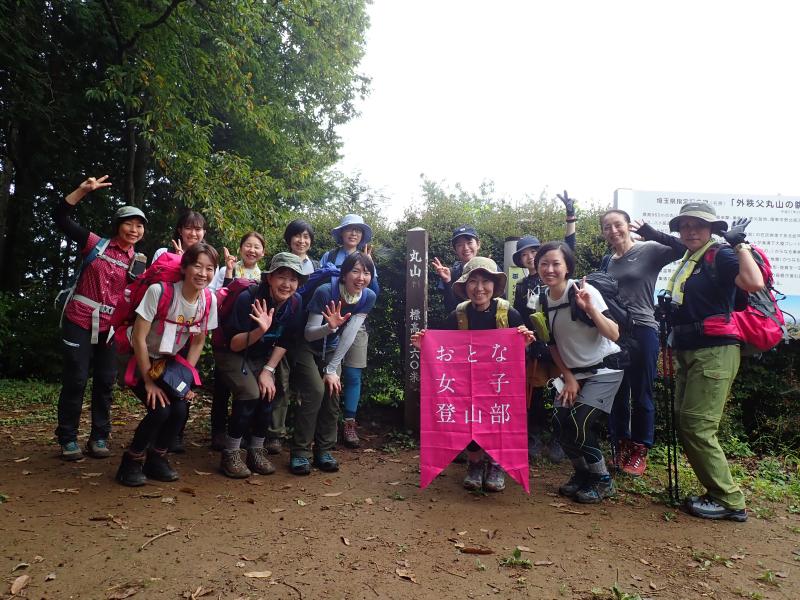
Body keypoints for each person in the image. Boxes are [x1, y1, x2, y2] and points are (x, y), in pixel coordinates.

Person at [646, 202, 762, 521]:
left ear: (711, 228)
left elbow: (754, 283)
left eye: (698, 224)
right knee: (686, 422)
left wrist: (739, 245)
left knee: (697, 426)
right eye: (684, 225)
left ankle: (730, 500)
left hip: (715, 351)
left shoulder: (720, 254)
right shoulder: (690, 258)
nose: (690, 230)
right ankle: (716, 492)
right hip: (689, 350)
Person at [412, 257, 535, 493]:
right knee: (468, 420)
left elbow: (521, 354)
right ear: (465, 286)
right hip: (466, 383)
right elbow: (443, 351)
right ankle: (475, 463)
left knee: (498, 421)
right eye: (473, 281)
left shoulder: (509, 314)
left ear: (494, 285)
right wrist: (424, 347)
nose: (479, 288)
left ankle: (497, 465)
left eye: (485, 281)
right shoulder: (457, 315)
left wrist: (525, 344)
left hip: (499, 382)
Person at [54, 175, 147, 461]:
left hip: (110, 328)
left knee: (106, 381)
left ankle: (99, 437)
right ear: (118, 225)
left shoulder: (139, 262)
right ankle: (68, 438)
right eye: (129, 223)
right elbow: (61, 218)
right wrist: (82, 191)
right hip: (79, 318)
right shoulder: (96, 244)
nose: (134, 230)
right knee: (76, 378)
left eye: (139, 225)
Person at [115, 242, 219, 486]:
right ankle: (131, 462)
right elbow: (139, 338)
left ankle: (157, 459)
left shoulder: (208, 300)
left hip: (165, 363)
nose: (203, 274)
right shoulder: (159, 292)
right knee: (160, 409)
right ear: (184, 268)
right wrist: (149, 382)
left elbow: (198, 341)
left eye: (209, 269)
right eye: (197, 266)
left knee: (180, 409)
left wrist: (184, 381)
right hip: (136, 356)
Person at [534, 241, 624, 504]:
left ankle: (602, 479)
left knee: (578, 423)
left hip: (604, 369)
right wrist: (569, 377)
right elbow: (551, 344)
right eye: (544, 264)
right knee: (560, 422)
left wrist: (590, 309)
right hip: (573, 374)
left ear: (567, 267)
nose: (549, 269)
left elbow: (614, 333)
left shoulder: (584, 291)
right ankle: (583, 474)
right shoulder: (541, 299)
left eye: (556, 264)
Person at [600, 210, 686, 476]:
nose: (613, 230)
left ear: (628, 226)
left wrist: (651, 232)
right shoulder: (607, 261)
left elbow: (683, 248)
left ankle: (640, 449)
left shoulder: (648, 249)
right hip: (614, 332)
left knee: (641, 391)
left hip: (643, 329)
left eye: (618, 225)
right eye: (607, 227)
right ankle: (621, 443)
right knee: (617, 392)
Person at [214, 252, 311, 478]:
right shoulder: (247, 299)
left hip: (259, 355)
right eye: (282, 277)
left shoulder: (295, 302)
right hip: (231, 352)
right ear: (269, 278)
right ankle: (231, 453)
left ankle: (256, 450)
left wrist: (268, 370)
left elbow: (286, 340)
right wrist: (260, 330)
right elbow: (234, 344)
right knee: (250, 393)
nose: (287, 284)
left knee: (268, 392)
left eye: (293, 279)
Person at [294, 252, 378, 474]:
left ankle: (324, 450)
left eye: (366, 273)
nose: (361, 278)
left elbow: (349, 334)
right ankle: (301, 452)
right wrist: (329, 327)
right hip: (306, 346)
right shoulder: (325, 291)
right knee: (315, 391)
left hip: (332, 347)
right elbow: (309, 333)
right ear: (344, 274)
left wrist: (332, 369)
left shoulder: (367, 296)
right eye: (355, 271)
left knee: (332, 392)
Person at [513, 190, 578, 463]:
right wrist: (526, 342)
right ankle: (534, 438)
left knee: (563, 391)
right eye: (525, 254)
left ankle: (560, 439)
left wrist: (570, 218)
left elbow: (569, 249)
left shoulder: (555, 277)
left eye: (533, 252)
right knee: (534, 394)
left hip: (562, 344)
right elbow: (519, 316)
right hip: (536, 347)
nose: (529, 257)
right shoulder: (521, 286)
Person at [319, 215, 379, 448]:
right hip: (330, 323)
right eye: (349, 229)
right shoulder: (330, 256)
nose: (354, 234)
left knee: (353, 374)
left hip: (357, 324)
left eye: (358, 230)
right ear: (341, 233)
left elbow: (374, 292)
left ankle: (349, 422)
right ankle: (328, 424)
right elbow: (321, 286)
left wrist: (369, 266)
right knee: (331, 372)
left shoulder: (367, 260)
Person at [264, 220, 321, 455]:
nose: (302, 240)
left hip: (308, 334)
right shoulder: (279, 263)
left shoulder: (316, 266)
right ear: (289, 239)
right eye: (297, 235)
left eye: (306, 236)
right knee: (281, 380)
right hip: (283, 332)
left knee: (306, 386)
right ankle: (274, 433)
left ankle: (298, 435)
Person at [209, 231, 267, 451]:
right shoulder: (226, 269)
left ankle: (238, 432)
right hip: (225, 332)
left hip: (248, 335)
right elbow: (215, 296)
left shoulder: (264, 277)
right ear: (241, 248)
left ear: (263, 252)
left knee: (243, 389)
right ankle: (218, 432)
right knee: (222, 388)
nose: (252, 250)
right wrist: (229, 272)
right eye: (248, 245)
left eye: (257, 247)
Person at [431, 225, 481, 314]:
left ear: (478, 244)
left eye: (469, 242)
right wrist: (447, 281)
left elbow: (501, 301)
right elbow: (450, 309)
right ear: (455, 249)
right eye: (460, 245)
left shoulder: (490, 268)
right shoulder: (451, 273)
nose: (465, 248)